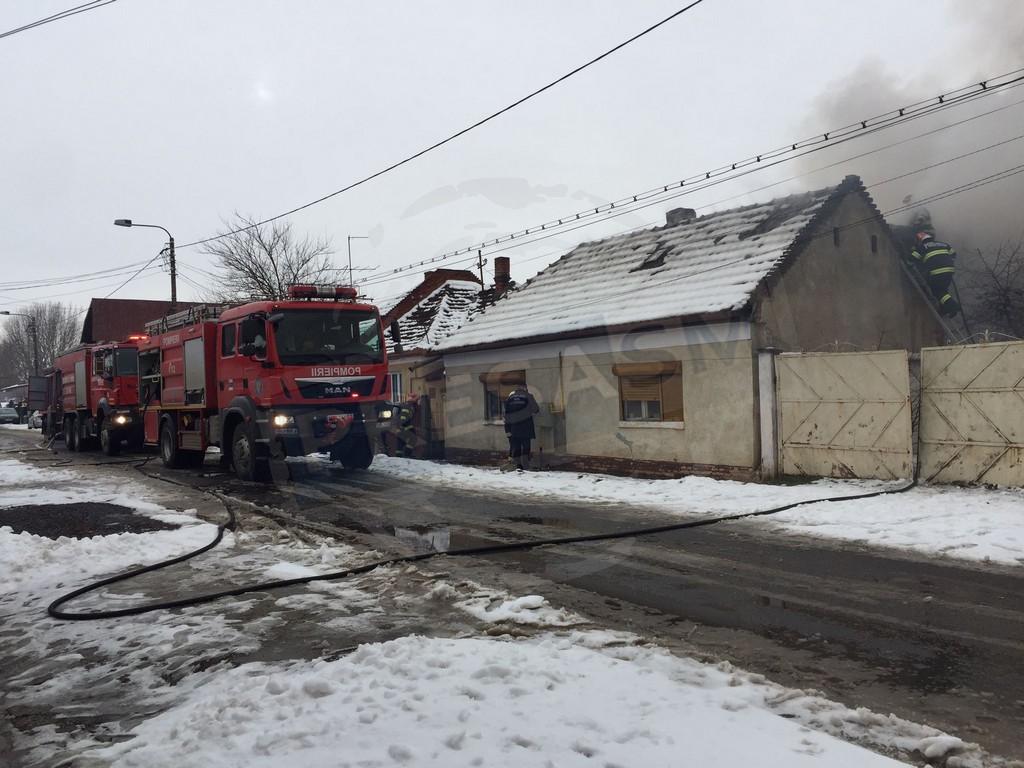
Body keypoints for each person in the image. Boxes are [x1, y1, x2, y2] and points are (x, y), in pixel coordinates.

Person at [906, 209, 960, 318]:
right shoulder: (943, 244)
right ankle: (945, 309)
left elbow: (911, 260)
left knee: (936, 291)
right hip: (949, 271)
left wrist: (910, 254)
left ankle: (953, 306)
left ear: (920, 240)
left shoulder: (922, 248)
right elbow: (954, 254)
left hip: (936, 273)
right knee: (943, 290)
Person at [503, 384, 539, 470]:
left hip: (513, 427)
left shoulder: (510, 398)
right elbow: (536, 409)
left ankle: (518, 465)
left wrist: (508, 428)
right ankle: (526, 465)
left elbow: (505, 413)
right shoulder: (528, 396)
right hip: (526, 426)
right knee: (526, 445)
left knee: (516, 446)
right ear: (525, 388)